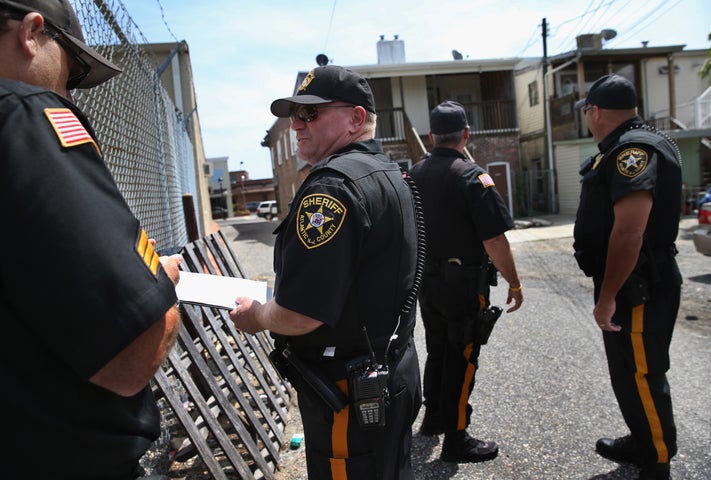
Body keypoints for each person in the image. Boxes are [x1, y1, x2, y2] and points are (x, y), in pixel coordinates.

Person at [0, 1, 183, 478]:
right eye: (73, 69)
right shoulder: (21, 117)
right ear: (32, 33)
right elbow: (130, 355)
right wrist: (161, 288)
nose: (68, 89)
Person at [230, 65, 422, 480]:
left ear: (356, 118)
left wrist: (258, 314)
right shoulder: (390, 173)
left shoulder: (331, 188)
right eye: (295, 114)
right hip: (391, 370)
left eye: (311, 114)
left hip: (349, 390)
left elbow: (301, 313)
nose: (296, 124)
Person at [573, 74, 682, 480]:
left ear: (595, 112)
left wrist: (607, 297)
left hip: (638, 286)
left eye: (587, 111)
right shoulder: (625, 145)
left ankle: (656, 462)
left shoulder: (633, 150)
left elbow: (631, 230)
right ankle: (642, 439)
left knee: (641, 372)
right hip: (631, 283)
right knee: (627, 372)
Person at [409, 100, 524, 463]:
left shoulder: (412, 175)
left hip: (427, 282)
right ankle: (457, 437)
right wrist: (515, 283)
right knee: (462, 355)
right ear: (466, 134)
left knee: (438, 348)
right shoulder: (473, 176)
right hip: (462, 285)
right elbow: (494, 240)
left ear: (431, 136)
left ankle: (432, 419)